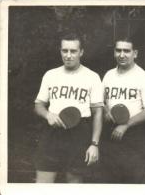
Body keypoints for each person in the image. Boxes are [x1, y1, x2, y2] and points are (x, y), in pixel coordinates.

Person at [34, 32, 103, 183]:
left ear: (81, 52)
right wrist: (48, 115)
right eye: (65, 51)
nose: (68, 55)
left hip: (79, 133)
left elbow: (98, 113)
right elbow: (38, 105)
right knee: (42, 183)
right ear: (60, 51)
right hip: (52, 132)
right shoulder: (50, 75)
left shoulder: (92, 77)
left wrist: (94, 144)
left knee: (74, 184)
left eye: (73, 51)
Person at [100, 37, 145, 183]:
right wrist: (106, 111)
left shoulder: (144, 77)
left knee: (134, 181)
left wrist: (125, 125)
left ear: (135, 53)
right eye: (118, 50)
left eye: (126, 51)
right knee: (110, 179)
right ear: (114, 52)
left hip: (134, 134)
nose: (122, 54)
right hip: (110, 132)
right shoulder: (108, 75)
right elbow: (100, 101)